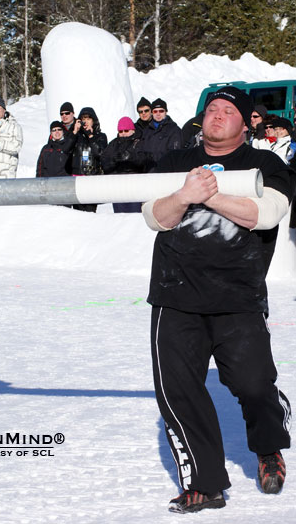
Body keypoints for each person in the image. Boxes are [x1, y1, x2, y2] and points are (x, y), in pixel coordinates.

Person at [142, 86, 294, 514]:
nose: (218, 115)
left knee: (251, 384)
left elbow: (264, 215)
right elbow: (155, 216)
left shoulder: (264, 163)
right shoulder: (175, 163)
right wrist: (183, 196)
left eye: (229, 110)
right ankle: (205, 484)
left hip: (238, 297)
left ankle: (268, 443)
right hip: (175, 294)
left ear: (246, 124)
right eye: (212, 109)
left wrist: (210, 195)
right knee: (177, 393)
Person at [101, 116, 153, 213]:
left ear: (132, 130)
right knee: (120, 216)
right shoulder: (113, 144)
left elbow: (147, 160)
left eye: (126, 130)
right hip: (118, 185)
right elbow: (105, 161)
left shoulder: (140, 142)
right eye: (121, 131)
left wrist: (131, 158)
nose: (123, 134)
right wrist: (114, 161)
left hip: (136, 185)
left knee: (135, 216)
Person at [71, 107, 107, 212]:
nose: (85, 121)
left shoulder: (100, 136)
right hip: (77, 179)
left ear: (93, 120)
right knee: (77, 212)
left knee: (90, 213)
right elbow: (66, 149)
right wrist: (74, 131)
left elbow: (101, 154)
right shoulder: (76, 136)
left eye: (88, 118)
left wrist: (91, 136)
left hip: (92, 179)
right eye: (83, 119)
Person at [139, 98, 182, 165]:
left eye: (161, 111)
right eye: (155, 111)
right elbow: (140, 150)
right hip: (147, 169)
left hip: (165, 169)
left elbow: (174, 154)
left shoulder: (174, 130)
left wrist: (151, 157)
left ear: (166, 112)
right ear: (152, 113)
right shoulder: (146, 130)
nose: (158, 114)